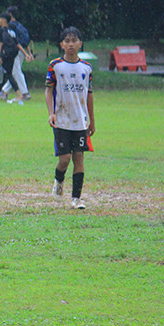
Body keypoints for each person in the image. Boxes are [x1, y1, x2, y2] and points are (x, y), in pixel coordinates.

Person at [46, 26, 95, 210]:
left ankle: (76, 198)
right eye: (67, 41)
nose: (71, 44)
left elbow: (89, 95)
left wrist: (92, 120)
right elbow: (48, 89)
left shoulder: (87, 68)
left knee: (79, 157)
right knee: (65, 158)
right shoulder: (55, 65)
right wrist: (51, 112)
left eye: (74, 41)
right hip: (62, 120)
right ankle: (59, 181)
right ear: (61, 45)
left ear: (80, 43)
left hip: (80, 121)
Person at [0, 12, 32, 102]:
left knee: (8, 73)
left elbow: (0, 44)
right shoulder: (11, 31)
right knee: (6, 73)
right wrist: (26, 54)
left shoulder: (1, 31)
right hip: (13, 53)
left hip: (6, 53)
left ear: (3, 20)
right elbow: (17, 43)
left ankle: (19, 94)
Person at [0, 6, 32, 101]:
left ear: (9, 14)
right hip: (22, 51)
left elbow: (15, 40)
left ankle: (24, 93)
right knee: (14, 71)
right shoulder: (19, 25)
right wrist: (28, 53)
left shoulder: (11, 26)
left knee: (16, 72)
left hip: (15, 50)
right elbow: (25, 40)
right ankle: (4, 91)